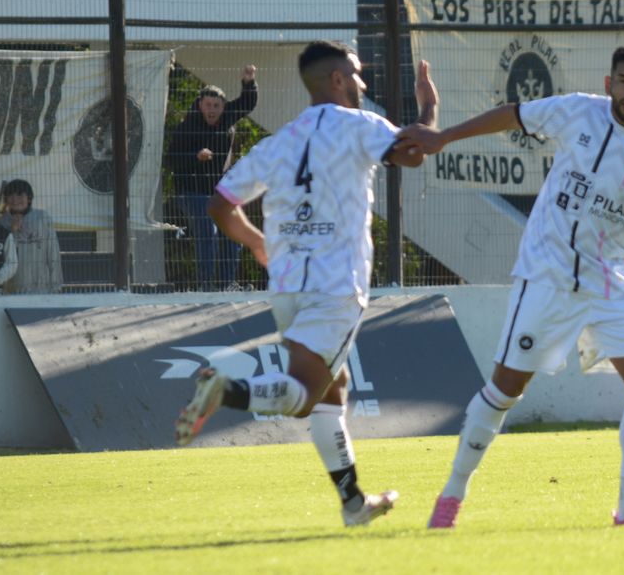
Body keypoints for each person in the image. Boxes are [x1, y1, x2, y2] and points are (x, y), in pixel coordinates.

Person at [398, 42, 624, 528]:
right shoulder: (577, 112)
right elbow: (512, 115)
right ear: (609, 83)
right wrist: (444, 136)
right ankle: (450, 497)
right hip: (548, 274)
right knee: (506, 390)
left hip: (610, 278)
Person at [174, 41, 436, 528]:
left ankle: (353, 503)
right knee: (306, 395)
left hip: (288, 287)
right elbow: (415, 152)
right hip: (337, 284)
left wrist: (256, 243)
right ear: (337, 79)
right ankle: (227, 392)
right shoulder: (359, 126)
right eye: (356, 75)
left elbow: (220, 204)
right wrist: (429, 108)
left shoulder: (280, 140)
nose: (362, 84)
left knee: (333, 390)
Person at [165, 65, 259, 290]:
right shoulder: (187, 127)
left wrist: (249, 82)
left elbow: (247, 103)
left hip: (217, 191)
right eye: (208, 105)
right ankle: (204, 286)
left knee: (233, 231)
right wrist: (195, 157)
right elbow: (170, 161)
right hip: (190, 191)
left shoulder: (227, 118)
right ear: (200, 105)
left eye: (216, 106)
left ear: (222, 107)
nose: (212, 110)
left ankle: (227, 284)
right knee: (208, 230)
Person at [0, 179, 62, 295]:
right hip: (13, 290)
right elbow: (0, 257)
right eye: (10, 195)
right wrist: (12, 231)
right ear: (6, 199)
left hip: (42, 289)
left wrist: (56, 285)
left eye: (19, 195)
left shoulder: (42, 217)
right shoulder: (2, 222)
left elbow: (53, 252)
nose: (15, 199)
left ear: (29, 198)